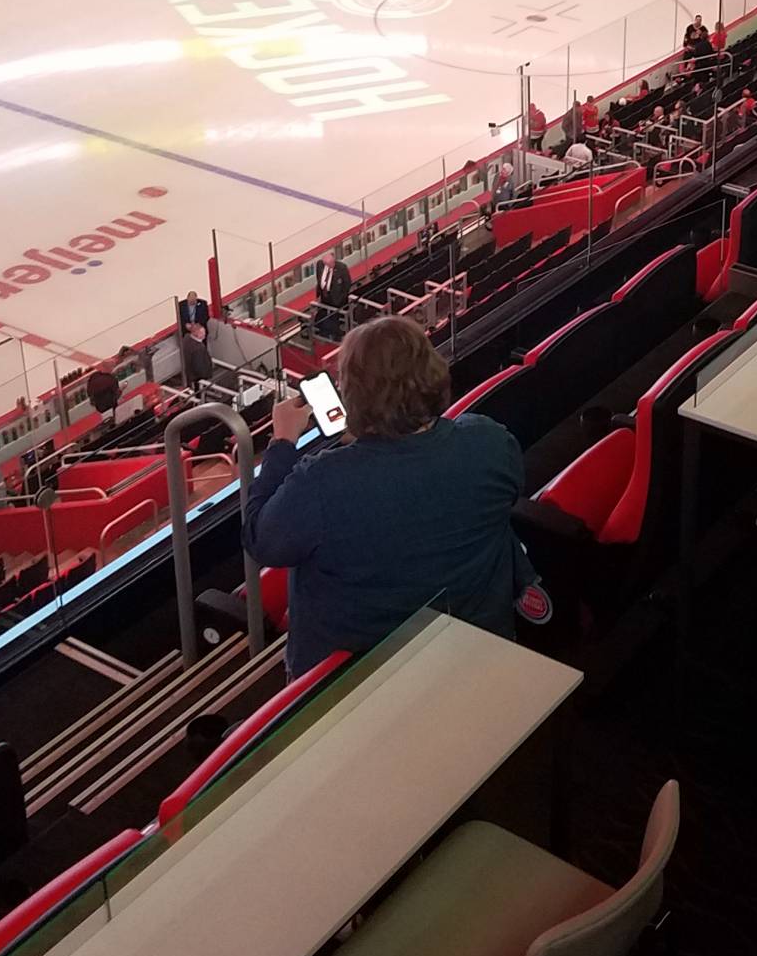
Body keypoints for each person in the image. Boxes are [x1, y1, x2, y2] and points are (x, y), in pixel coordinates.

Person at [244, 318, 539, 678]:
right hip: (477, 648)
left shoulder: (322, 481)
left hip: (359, 685)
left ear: (351, 395)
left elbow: (261, 540)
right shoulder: (490, 441)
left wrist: (282, 444)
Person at [314, 248, 353, 339]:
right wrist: (319, 292)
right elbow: (318, 278)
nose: (332, 265)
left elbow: (347, 284)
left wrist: (341, 297)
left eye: (332, 263)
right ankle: (323, 331)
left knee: (334, 316)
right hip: (324, 296)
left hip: (337, 299)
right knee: (323, 313)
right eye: (328, 264)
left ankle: (336, 334)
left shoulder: (342, 268)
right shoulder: (320, 265)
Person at [179, 322, 213, 392]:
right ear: (195, 333)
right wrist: (206, 375)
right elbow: (198, 366)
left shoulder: (187, 338)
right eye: (202, 332)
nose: (204, 334)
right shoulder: (198, 348)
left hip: (190, 374)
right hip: (197, 377)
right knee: (200, 392)